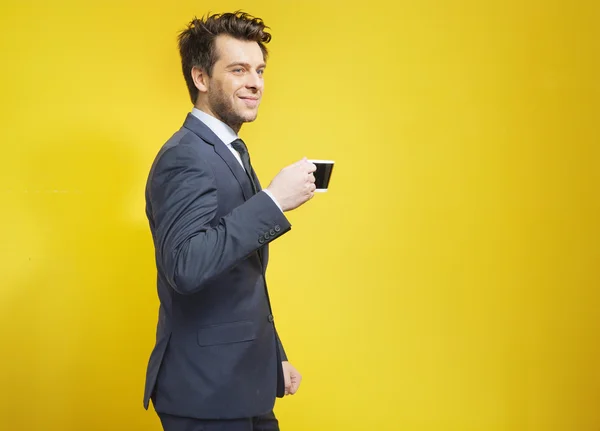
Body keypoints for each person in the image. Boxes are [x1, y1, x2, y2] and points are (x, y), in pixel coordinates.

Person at [142, 11, 317, 431]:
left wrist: (273, 355)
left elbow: (240, 275)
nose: (255, 82)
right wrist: (273, 200)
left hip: (244, 384)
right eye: (238, 70)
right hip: (207, 395)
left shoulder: (229, 150)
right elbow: (186, 264)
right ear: (201, 78)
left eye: (258, 70)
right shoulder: (186, 155)